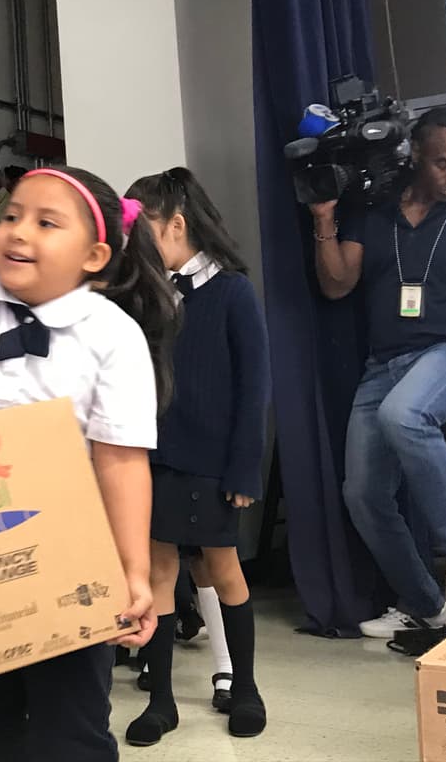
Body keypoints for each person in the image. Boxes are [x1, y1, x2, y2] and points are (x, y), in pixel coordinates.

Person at [0, 166, 179, 762]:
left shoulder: (114, 336)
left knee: (70, 727)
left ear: (94, 255)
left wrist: (133, 573)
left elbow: (122, 462)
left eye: (47, 222)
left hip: (70, 557)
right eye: (12, 216)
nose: (19, 231)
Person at [312, 106, 446, 637]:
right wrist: (325, 218)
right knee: (363, 494)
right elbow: (336, 285)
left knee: (406, 414)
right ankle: (424, 603)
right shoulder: (372, 211)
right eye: (445, 164)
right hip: (384, 363)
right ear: (417, 153)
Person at [123, 167, 270, 744]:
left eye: (144, 234)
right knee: (158, 571)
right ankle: (161, 700)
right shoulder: (146, 296)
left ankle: (247, 687)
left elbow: (254, 385)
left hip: (214, 461)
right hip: (155, 457)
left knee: (222, 567)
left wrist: (243, 467)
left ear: (177, 224)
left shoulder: (233, 291)